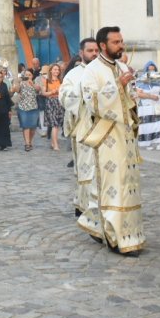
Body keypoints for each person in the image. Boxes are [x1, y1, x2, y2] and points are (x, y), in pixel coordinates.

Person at [78, 27, 144, 254]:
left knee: (128, 185)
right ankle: (115, 238)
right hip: (106, 137)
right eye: (116, 42)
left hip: (125, 136)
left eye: (121, 41)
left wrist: (131, 96)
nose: (121, 46)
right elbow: (92, 102)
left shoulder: (123, 67)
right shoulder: (91, 71)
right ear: (103, 46)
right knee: (112, 186)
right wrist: (118, 85)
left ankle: (128, 233)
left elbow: (130, 99)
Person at [63, 37, 100, 222]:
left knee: (100, 169)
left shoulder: (105, 73)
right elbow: (65, 97)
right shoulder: (73, 75)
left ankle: (99, 204)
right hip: (83, 128)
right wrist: (82, 89)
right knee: (86, 169)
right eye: (90, 50)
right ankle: (84, 204)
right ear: (81, 53)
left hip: (104, 130)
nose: (94, 54)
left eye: (96, 50)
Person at [135, 62, 160, 151]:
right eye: (149, 69)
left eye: (153, 69)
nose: (151, 71)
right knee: (147, 126)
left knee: (159, 124)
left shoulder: (158, 81)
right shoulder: (140, 80)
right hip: (145, 107)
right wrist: (151, 96)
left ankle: (159, 143)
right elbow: (139, 94)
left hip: (157, 106)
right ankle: (148, 143)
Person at [12, 68, 41, 150]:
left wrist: (32, 84)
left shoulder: (35, 82)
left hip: (34, 107)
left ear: (32, 76)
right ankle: (27, 144)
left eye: (29, 75)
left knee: (33, 127)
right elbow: (16, 90)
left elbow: (39, 89)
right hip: (23, 107)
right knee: (26, 126)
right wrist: (17, 81)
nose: (28, 76)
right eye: (26, 75)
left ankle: (30, 141)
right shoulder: (21, 83)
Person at [39, 64, 64, 150]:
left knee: (57, 125)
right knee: (54, 124)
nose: (57, 71)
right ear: (51, 71)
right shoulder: (46, 80)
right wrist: (53, 91)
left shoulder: (61, 80)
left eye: (58, 70)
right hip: (50, 102)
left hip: (59, 102)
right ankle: (56, 144)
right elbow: (43, 93)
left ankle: (53, 143)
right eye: (55, 69)